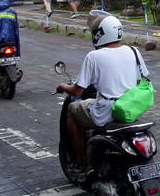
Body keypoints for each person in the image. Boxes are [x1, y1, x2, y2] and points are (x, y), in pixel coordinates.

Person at [55, 13, 149, 173]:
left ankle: (81, 161)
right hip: (130, 108)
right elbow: (140, 81)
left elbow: (77, 90)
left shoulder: (94, 56)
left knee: (72, 109)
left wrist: (63, 86)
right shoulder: (134, 51)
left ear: (99, 34)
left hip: (106, 110)